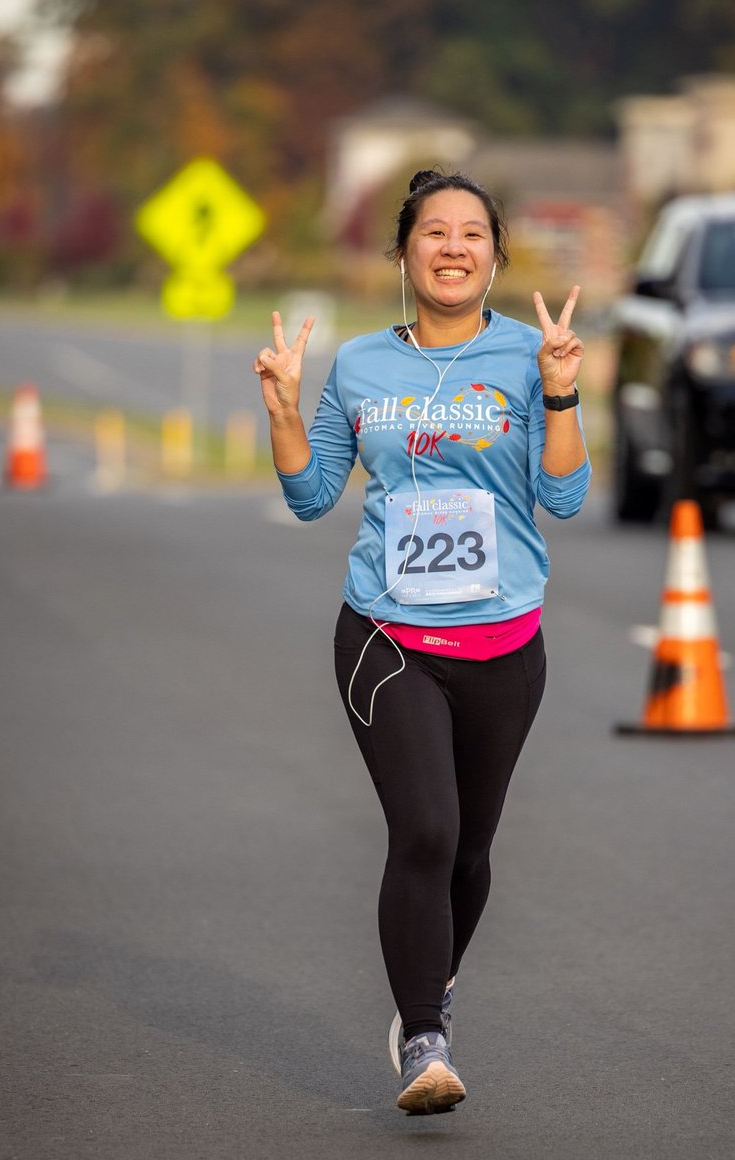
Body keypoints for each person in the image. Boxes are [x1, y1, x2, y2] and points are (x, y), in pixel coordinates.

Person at [253, 169, 590, 1114]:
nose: (452, 247)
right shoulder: (361, 365)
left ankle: (426, 993)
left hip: (505, 647)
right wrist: (285, 405)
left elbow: (563, 497)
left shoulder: (535, 355)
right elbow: (312, 495)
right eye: (432, 232)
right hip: (389, 637)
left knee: (471, 854)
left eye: (471, 233)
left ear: (495, 253)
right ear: (403, 253)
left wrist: (561, 397)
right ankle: (426, 1042)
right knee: (427, 831)